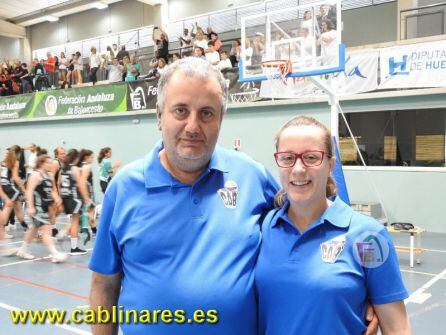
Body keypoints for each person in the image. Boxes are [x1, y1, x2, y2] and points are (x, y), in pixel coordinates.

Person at [88, 57, 379, 335]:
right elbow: (104, 285)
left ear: (221, 119)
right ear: (159, 117)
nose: (192, 126)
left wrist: (356, 289)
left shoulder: (250, 175)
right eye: (180, 111)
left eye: (206, 113)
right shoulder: (124, 188)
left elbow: (312, 217)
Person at [255, 115, 411, 335]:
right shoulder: (262, 229)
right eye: (288, 158)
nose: (298, 169)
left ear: (330, 164)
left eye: (311, 157)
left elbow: (397, 328)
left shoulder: (368, 237)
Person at [17, 155, 67, 263]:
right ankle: (55, 254)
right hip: (37, 208)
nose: (50, 164)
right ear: (41, 163)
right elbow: (29, 191)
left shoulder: (49, 175)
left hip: (46, 207)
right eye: (48, 162)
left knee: (33, 229)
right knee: (46, 231)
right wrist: (30, 207)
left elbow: (52, 190)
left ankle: (23, 250)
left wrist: (57, 199)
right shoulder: (35, 175)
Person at [58, 149, 89, 255]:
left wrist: (60, 197)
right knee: (75, 222)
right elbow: (81, 184)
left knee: (74, 221)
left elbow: (59, 183)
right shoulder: (74, 168)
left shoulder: (63, 168)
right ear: (76, 158)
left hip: (66, 197)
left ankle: (64, 233)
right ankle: (74, 248)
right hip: (74, 198)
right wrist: (85, 197)